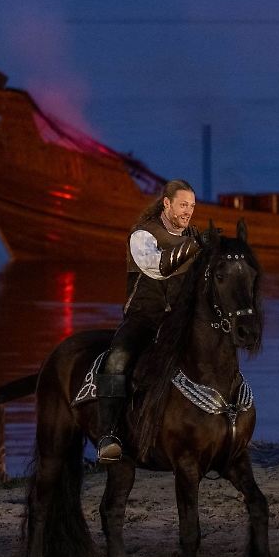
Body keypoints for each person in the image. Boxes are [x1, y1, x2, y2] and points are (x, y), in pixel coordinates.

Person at [93, 179, 202, 463]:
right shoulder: (142, 234)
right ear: (166, 203)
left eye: (191, 205)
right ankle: (109, 435)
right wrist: (193, 248)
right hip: (144, 317)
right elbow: (157, 267)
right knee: (117, 359)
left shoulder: (194, 236)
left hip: (179, 322)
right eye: (182, 204)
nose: (187, 211)